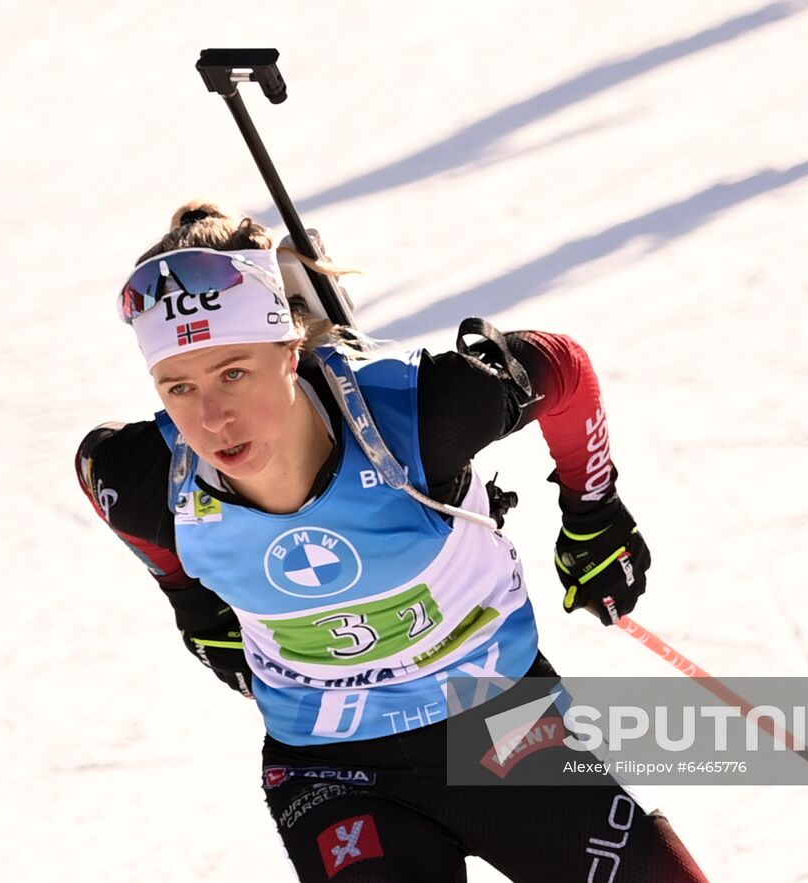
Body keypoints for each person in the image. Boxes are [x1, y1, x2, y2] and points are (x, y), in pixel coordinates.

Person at [75, 200, 709, 881]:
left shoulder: (417, 412)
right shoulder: (147, 476)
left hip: (499, 723)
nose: (211, 417)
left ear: (290, 351)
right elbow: (97, 476)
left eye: (235, 372)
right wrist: (191, 604)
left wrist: (593, 511)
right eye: (178, 387)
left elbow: (561, 366)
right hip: (334, 769)